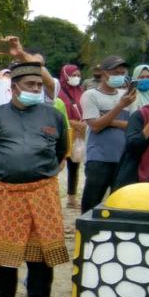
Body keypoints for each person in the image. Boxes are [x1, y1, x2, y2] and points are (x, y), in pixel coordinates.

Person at [0, 61, 70, 297]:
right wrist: (0, 172)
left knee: (41, 250)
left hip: (42, 192)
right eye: (30, 85)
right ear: (14, 88)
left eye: (39, 85)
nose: (36, 89)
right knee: (3, 248)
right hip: (5, 192)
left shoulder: (54, 116)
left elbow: (62, 149)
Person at [80, 55, 137, 212]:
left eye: (122, 72)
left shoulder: (126, 96)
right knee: (92, 201)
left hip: (123, 158)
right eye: (115, 72)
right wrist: (119, 107)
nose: (119, 76)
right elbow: (95, 126)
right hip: (99, 158)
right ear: (104, 73)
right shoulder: (90, 95)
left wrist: (109, 121)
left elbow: (132, 126)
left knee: (119, 203)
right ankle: (86, 233)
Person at [0, 36, 57, 108]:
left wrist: (21, 54)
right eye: (30, 62)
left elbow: (49, 83)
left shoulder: (44, 85)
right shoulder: (1, 82)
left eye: (40, 65)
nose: (35, 67)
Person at [57, 63, 87, 209]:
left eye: (78, 75)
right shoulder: (58, 92)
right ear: (65, 75)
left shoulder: (81, 91)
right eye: (73, 75)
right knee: (58, 163)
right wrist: (73, 123)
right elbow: (58, 112)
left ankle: (72, 197)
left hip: (78, 134)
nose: (76, 78)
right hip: (64, 132)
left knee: (74, 165)